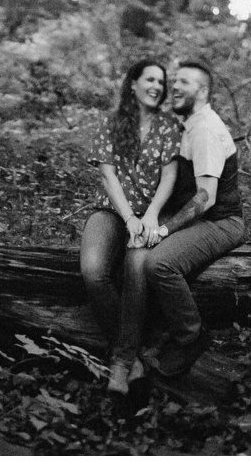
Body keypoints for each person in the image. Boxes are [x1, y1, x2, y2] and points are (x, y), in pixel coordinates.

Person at [119, 58, 246, 381]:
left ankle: (191, 336)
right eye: (174, 82)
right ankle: (138, 343)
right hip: (197, 218)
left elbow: (206, 198)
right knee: (136, 251)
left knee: (160, 264)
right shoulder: (189, 124)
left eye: (183, 83)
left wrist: (164, 229)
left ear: (202, 91)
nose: (173, 87)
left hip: (221, 222)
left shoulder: (205, 130)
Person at [80, 59, 183, 393]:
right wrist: (129, 219)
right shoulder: (112, 123)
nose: (157, 86)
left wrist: (150, 216)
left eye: (161, 82)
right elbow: (107, 176)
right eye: (150, 79)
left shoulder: (169, 126)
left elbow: (170, 176)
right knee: (93, 272)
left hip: (154, 214)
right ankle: (135, 352)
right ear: (134, 84)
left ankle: (122, 363)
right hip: (113, 211)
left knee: (136, 263)